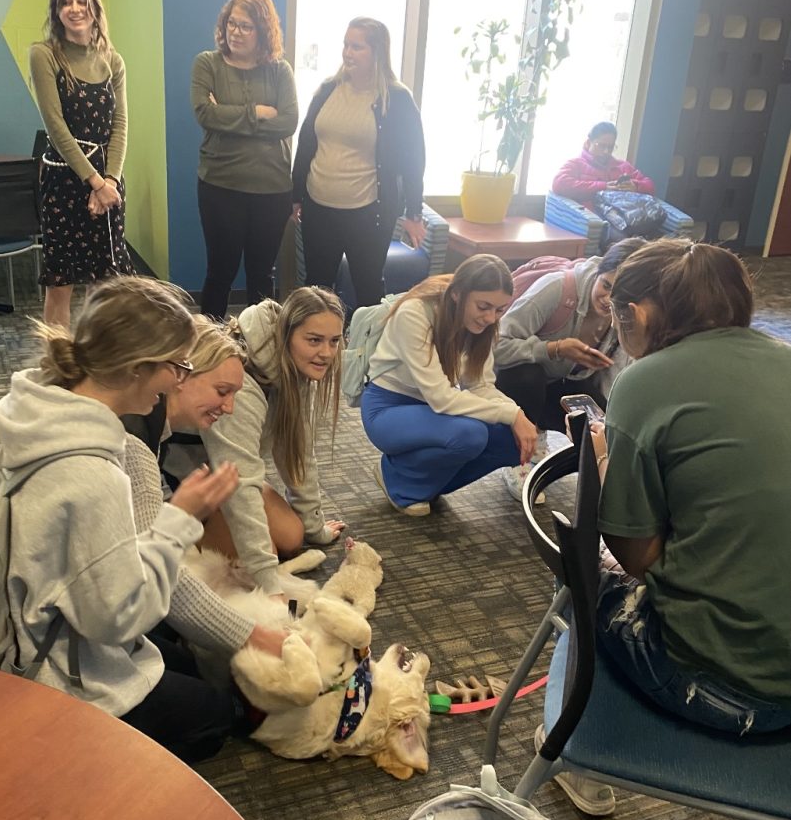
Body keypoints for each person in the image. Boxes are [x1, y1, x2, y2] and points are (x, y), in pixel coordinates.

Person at [552, 240, 791, 816]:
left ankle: (577, 758)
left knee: (579, 574)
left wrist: (607, 459)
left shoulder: (647, 382)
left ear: (633, 314)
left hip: (722, 689)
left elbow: (637, 555)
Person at [0, 274, 243, 762]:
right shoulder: (95, 471)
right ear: (136, 367)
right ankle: (86, 764)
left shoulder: (35, 410)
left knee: (186, 665)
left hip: (31, 619)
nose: (178, 379)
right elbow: (117, 617)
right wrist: (179, 520)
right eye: (176, 365)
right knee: (214, 716)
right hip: (51, 665)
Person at [123, 317, 289, 660]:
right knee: (211, 703)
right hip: (86, 630)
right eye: (222, 391)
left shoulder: (152, 431)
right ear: (180, 376)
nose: (229, 407)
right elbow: (160, 576)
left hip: (117, 598)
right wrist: (251, 636)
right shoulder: (133, 443)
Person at [195, 286, 347, 597]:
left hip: (223, 476)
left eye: (334, 341)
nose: (327, 353)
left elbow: (299, 453)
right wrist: (269, 582)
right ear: (287, 334)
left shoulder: (295, 368)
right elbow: (240, 484)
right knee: (259, 558)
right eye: (314, 340)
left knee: (294, 536)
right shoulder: (243, 383)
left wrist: (315, 527)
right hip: (187, 486)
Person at [360, 254, 538, 517]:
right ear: (457, 294)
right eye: (483, 306)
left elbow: (480, 386)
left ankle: (420, 483)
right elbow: (441, 398)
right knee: (471, 435)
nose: (490, 317)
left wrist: (518, 416)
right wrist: (512, 414)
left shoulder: (482, 327)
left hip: (432, 413)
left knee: (513, 442)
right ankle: (396, 478)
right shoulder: (416, 312)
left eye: (499, 310)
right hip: (387, 407)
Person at [493, 238, 646, 499]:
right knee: (529, 375)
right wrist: (554, 348)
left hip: (567, 383)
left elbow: (615, 376)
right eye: (605, 285)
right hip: (513, 379)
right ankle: (519, 454)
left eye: (618, 295)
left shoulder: (628, 315)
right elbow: (497, 347)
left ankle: (595, 471)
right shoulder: (556, 288)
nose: (608, 299)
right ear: (598, 271)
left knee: (604, 424)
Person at [292, 17, 426, 309]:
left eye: (357, 47)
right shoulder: (328, 89)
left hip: (368, 213)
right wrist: (296, 195)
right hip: (318, 208)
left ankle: (368, 349)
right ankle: (319, 348)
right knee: (317, 288)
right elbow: (306, 143)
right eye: (346, 45)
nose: (348, 53)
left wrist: (413, 213)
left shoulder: (397, 99)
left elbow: (414, 160)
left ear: (377, 53)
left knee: (367, 285)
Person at [30, 0, 133, 328]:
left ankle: (93, 360)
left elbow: (120, 125)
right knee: (62, 283)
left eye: (81, 1)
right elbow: (55, 127)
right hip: (65, 178)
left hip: (108, 180)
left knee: (104, 282)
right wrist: (95, 183)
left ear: (94, 7)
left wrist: (111, 182)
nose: (74, 9)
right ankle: (57, 369)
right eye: (66, 2)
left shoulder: (112, 60)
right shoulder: (44, 55)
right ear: (56, 11)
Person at [191, 0, 298, 319]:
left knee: (262, 278)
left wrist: (229, 115)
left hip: (272, 189)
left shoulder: (280, 71)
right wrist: (258, 113)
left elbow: (288, 122)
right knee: (220, 273)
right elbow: (205, 114)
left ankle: (262, 354)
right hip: (221, 186)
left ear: (263, 31)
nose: (235, 32)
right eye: (231, 24)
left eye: (246, 26)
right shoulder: (207, 63)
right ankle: (208, 353)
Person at [552, 121, 654, 210]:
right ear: (588, 143)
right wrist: (602, 186)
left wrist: (635, 186)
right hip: (593, 221)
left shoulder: (623, 166)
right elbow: (559, 183)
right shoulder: (576, 164)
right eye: (601, 145)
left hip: (627, 217)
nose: (606, 151)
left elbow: (649, 185)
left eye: (610, 147)